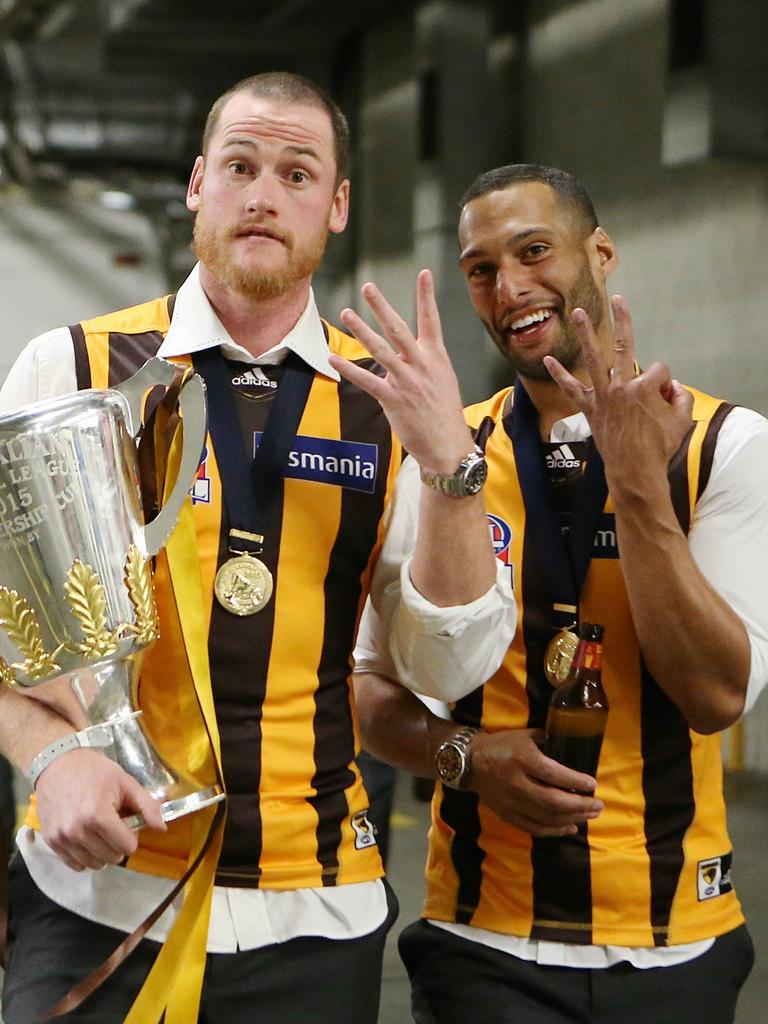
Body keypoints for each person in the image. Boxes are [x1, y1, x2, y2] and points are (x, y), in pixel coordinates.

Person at [0, 74, 516, 1023]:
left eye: (296, 172)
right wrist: (54, 756)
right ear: (198, 184)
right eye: (240, 166)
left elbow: (449, 664)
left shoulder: (388, 409)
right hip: (98, 897)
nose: (264, 195)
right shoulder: (72, 367)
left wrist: (452, 468)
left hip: (314, 910)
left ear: (337, 205)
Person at [342, 164, 768, 1024]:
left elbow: (717, 695)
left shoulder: (727, 446)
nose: (511, 289)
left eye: (535, 252)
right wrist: (465, 756)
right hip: (481, 944)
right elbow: (368, 690)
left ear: (600, 252)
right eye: (481, 269)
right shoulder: (445, 454)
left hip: (674, 940)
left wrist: (641, 487)